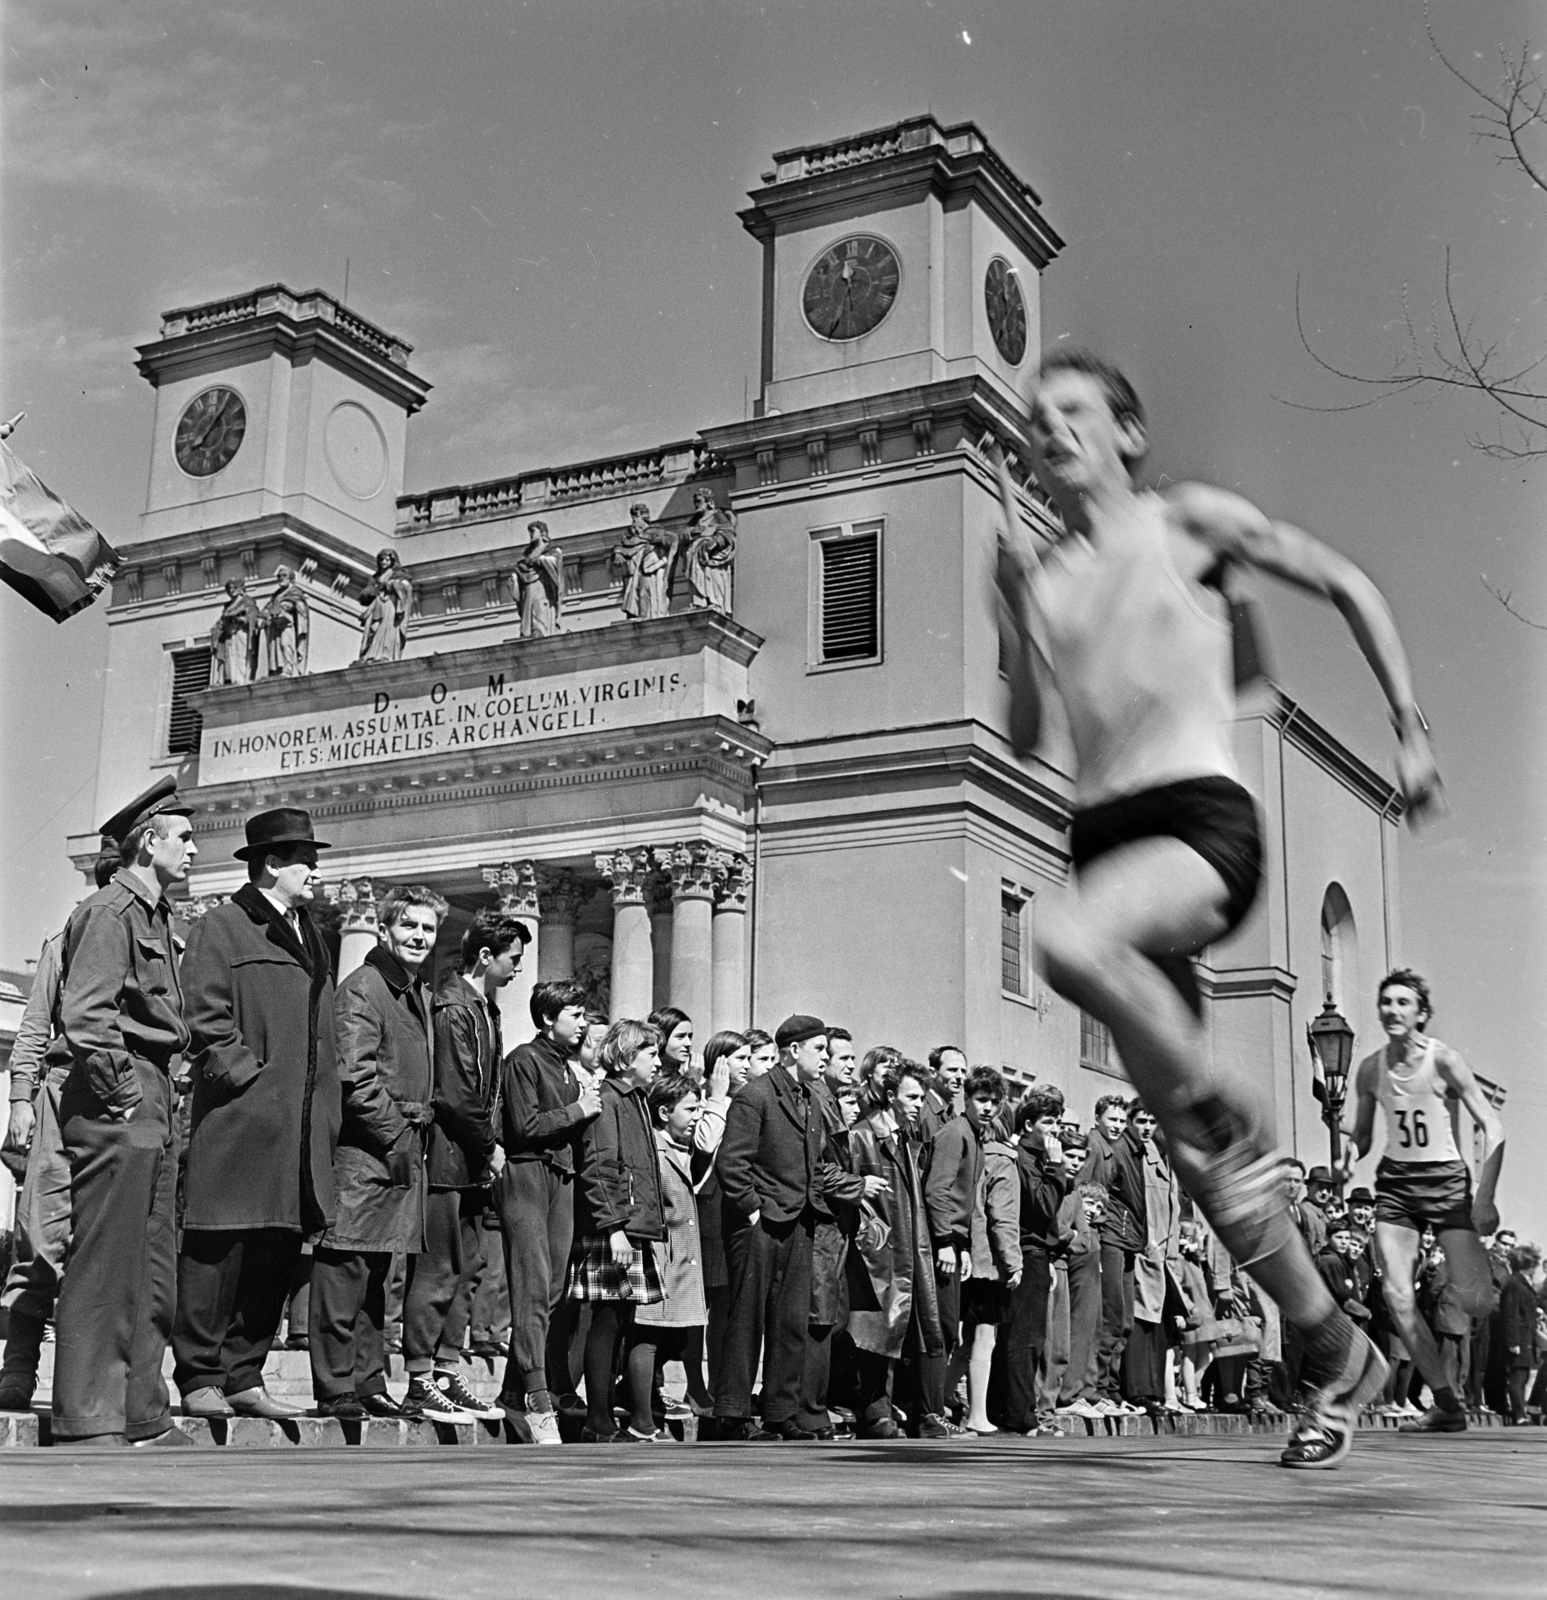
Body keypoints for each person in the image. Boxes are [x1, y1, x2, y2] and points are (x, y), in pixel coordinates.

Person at [994, 349, 1444, 1468]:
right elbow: (1021, 732)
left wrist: (1408, 726)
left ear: (1128, 435)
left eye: (1074, 411)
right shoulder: (1045, 576)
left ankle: (1214, 1096)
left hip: (1196, 822)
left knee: (1063, 939)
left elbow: (1345, 581)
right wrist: (1009, 613)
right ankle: (1333, 1351)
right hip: (1100, 836)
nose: (1050, 427)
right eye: (1037, 415)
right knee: (1207, 1173)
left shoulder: (1184, 521)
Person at [172, 809, 341, 1422]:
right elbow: (203, 1016)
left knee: (275, 1252)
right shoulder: (221, 926)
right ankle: (199, 1375)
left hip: (299, 1129)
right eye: (306, 860)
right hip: (242, 1122)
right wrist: (249, 1078)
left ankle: (244, 1376)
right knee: (219, 1250)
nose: (316, 871)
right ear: (272, 864)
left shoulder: (310, 932)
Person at [51, 780, 197, 1447]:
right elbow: (86, 1014)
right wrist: (126, 1096)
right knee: (107, 1259)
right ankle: (88, 1416)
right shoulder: (111, 912)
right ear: (148, 840)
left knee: (151, 1264)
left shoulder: (158, 914)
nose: (194, 849)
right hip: (123, 1091)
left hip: (153, 1091)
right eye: (184, 837)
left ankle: (142, 1412)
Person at [1343, 968, 1505, 1435]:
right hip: (1396, 1182)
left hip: (1446, 1181)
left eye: (1403, 1003)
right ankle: (1446, 1402)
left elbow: (1492, 1127)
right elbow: (1363, 1137)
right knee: (1396, 1294)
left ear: (1421, 1013)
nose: (1392, 1010)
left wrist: (1485, 1199)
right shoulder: (1370, 1068)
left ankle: (1451, 1394)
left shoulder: (1443, 1060)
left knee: (1470, 1297)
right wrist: (1346, 1154)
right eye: (1386, 1002)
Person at [309, 885, 445, 1421]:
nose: (419, 937)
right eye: (409, 925)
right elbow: (353, 1075)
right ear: (386, 928)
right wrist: (395, 1133)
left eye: (428, 929)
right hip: (368, 1153)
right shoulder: (366, 987)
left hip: (396, 1151)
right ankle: (334, 1385)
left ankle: (366, 1381)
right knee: (343, 1271)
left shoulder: (409, 990)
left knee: (374, 1278)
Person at [713, 1015, 881, 1440]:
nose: (825, 1057)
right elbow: (732, 1163)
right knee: (747, 1321)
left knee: (790, 1323)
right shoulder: (756, 1095)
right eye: (819, 1049)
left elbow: (815, 1164)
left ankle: (778, 1414)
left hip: (801, 1222)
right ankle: (732, 1416)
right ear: (794, 1050)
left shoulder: (809, 1096)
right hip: (762, 1225)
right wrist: (753, 1212)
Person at [0, 850, 120, 1414]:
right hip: (63, 1092)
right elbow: (32, 1029)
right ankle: (19, 1369)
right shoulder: (66, 939)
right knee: (41, 1240)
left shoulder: (169, 940)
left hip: (127, 1105)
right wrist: (21, 1100)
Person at [402, 910, 530, 1423]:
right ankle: (419, 1378)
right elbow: (454, 1093)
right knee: (438, 1270)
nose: (519, 967)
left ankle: (447, 1368)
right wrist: (490, 1147)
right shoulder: (454, 1007)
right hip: (450, 1160)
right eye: (513, 958)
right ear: (485, 957)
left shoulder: (483, 1007)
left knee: (467, 1269)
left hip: (472, 1163)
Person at [497, 979, 602, 1442]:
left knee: (554, 1287)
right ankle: (539, 1398)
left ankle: (511, 1393)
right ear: (547, 1019)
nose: (583, 1024)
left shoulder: (566, 1066)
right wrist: (579, 1110)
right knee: (533, 1287)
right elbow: (523, 1125)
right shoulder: (523, 1060)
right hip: (527, 1176)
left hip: (561, 1178)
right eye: (575, 1015)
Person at [568, 1020, 665, 1441]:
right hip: (616, 1229)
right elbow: (599, 1167)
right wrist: (615, 1230)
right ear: (627, 1059)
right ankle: (598, 1418)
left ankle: (603, 1415)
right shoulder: (608, 1100)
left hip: (630, 1226)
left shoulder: (635, 1099)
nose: (658, 1063)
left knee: (620, 1320)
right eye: (651, 1055)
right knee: (607, 1321)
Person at [844, 1060, 943, 1439]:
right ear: (890, 1097)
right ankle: (875, 1413)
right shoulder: (863, 1136)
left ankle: (913, 1410)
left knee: (910, 1329)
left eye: (921, 1097)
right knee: (877, 1331)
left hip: (908, 1248)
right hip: (881, 1250)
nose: (919, 1104)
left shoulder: (905, 1139)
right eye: (912, 1096)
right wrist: (873, 1239)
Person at [627, 1072, 712, 1439]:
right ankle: (641, 1422)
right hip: (661, 1254)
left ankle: (632, 1396)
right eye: (690, 1109)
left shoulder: (684, 1149)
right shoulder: (655, 1151)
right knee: (649, 1335)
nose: (697, 1116)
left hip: (683, 1258)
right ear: (664, 1112)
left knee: (677, 1338)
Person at [945, 1071, 1022, 1435]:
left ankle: (945, 1398)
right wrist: (1014, 1262)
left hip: (964, 1255)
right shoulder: (1004, 1161)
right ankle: (978, 1413)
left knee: (961, 1337)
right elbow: (1002, 1216)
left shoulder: (973, 1148)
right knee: (984, 1338)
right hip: (988, 1263)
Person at [997, 1084, 1073, 1435]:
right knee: (1025, 1340)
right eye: (1047, 1121)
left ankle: (1018, 1410)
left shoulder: (1036, 1158)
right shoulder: (1026, 1160)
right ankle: (1020, 1416)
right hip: (1028, 1254)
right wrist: (1057, 1167)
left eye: (1057, 1121)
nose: (1054, 1129)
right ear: (1028, 1125)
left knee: (1032, 1339)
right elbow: (1042, 1207)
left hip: (1039, 1254)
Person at [1079, 1094, 1147, 1416]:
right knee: (1110, 1317)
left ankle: (1108, 1390)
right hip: (1107, 1238)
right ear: (1098, 1119)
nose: (1118, 1126)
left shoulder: (1113, 1148)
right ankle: (1098, 1390)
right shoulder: (1097, 1147)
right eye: (1113, 1120)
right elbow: (1083, 1192)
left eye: (1122, 1121)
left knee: (1121, 1320)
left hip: (1121, 1237)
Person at [1498, 1244, 1541, 1425]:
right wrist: (1513, 1342)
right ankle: (1519, 1415)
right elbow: (1510, 1314)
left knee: (1523, 1376)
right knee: (1517, 1377)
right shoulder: (1515, 1284)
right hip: (1519, 1339)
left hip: (1526, 1338)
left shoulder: (1522, 1283)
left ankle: (1521, 1412)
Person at [615, 502, 675, 621]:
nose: (634, 519)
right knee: (631, 593)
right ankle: (635, 614)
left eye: (636, 516)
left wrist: (659, 541)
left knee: (644, 590)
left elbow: (669, 539)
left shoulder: (654, 530)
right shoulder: (627, 535)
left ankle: (643, 614)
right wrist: (617, 554)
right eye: (633, 516)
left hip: (647, 567)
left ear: (644, 516)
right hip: (632, 569)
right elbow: (620, 547)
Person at [358, 549, 413, 663]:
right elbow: (364, 595)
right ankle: (370, 655)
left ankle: (385, 654)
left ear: (392, 561)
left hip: (390, 607)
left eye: (387, 560)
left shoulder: (399, 574)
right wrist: (371, 592)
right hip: (377, 607)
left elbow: (406, 586)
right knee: (373, 630)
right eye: (381, 560)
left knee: (388, 629)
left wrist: (390, 585)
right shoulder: (375, 578)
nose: (383, 562)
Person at [513, 520, 564, 637]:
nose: (531, 535)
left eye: (533, 531)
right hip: (529, 591)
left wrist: (540, 560)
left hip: (543, 590)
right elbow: (522, 567)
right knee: (530, 613)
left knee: (539, 612)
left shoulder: (551, 549)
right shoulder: (527, 554)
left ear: (542, 533)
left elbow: (556, 563)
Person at [262, 565, 311, 677]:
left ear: (291, 578)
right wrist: (264, 615)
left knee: (285, 644)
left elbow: (299, 605)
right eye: (279, 576)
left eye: (284, 576)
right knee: (274, 648)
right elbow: (267, 608)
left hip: (288, 625)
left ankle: (288, 669)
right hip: (275, 626)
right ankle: (275, 671)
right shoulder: (276, 595)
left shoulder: (295, 592)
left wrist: (287, 606)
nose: (281, 578)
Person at [918, 1046, 966, 1143]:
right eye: (952, 1070)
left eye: (963, 1071)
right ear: (933, 1073)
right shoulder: (920, 1109)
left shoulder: (951, 1114)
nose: (959, 1076)